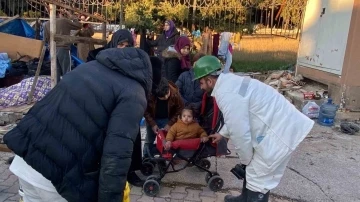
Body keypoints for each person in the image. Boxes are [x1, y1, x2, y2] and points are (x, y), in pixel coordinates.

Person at [4, 47, 153, 202]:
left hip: (24, 163)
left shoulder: (88, 68)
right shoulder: (134, 93)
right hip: (55, 181)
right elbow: (116, 157)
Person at [193, 56, 314, 202]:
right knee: (252, 171)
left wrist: (246, 160)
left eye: (201, 83)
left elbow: (240, 133)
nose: (201, 87)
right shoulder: (231, 82)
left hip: (280, 130)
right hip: (281, 123)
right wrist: (223, 133)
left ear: (209, 80)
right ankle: (244, 198)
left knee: (258, 175)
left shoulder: (226, 94)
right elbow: (238, 116)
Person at [143, 77, 184, 157]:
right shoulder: (149, 95)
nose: (165, 97)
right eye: (162, 97)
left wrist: (170, 123)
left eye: (167, 93)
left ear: (168, 88)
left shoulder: (175, 93)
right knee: (149, 140)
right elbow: (145, 110)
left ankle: (166, 156)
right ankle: (146, 157)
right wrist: (152, 124)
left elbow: (180, 109)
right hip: (153, 119)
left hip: (167, 119)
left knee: (167, 140)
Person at [43, 10, 82, 82]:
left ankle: (57, 89)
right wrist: (71, 16)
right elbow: (79, 25)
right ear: (59, 13)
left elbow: (45, 39)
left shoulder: (46, 24)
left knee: (55, 72)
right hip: (63, 48)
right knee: (67, 71)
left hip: (52, 49)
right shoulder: (64, 21)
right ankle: (67, 88)